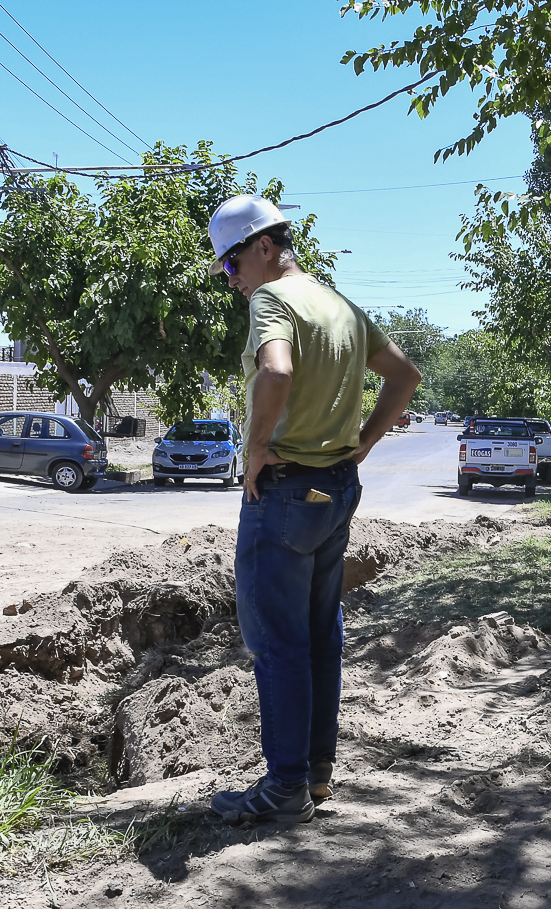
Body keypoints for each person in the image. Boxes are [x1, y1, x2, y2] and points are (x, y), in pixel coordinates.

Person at [205, 195, 421, 826]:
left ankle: (284, 788)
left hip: (284, 494)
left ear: (264, 246)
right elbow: (405, 375)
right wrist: (365, 442)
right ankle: (316, 773)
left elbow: (275, 373)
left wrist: (255, 450)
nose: (231, 279)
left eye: (231, 264)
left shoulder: (273, 300)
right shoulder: (340, 305)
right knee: (321, 634)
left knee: (277, 643)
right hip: (336, 489)